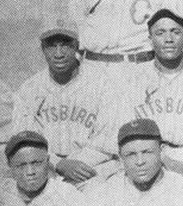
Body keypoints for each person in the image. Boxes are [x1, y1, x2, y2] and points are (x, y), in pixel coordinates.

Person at [87, 9, 183, 179]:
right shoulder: (132, 80)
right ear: (150, 39)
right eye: (160, 33)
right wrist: (162, 161)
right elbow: (119, 135)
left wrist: (175, 165)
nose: (168, 39)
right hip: (144, 159)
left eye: (175, 32)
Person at [12, 28, 114, 187]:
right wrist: (58, 163)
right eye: (51, 46)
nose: (58, 53)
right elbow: (23, 140)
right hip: (46, 168)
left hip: (91, 167)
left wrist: (78, 164)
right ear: (43, 49)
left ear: (77, 46)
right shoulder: (29, 89)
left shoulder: (102, 83)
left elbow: (108, 138)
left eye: (65, 45)